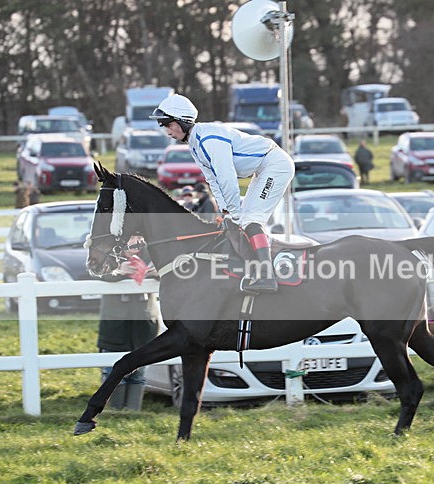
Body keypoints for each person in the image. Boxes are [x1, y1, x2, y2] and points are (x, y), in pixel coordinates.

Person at [151, 93, 295, 293]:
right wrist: (226, 212)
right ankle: (254, 270)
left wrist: (234, 214)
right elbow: (213, 181)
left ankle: (267, 276)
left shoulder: (209, 139)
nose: (165, 130)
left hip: (275, 164)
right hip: (262, 168)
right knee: (241, 220)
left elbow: (227, 179)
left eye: (167, 124)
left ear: (182, 121)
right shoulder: (194, 144)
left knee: (251, 220)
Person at [98, 235, 160, 411]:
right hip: (115, 324)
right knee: (112, 371)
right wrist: (118, 272)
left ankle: (133, 414)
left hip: (144, 323)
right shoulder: (107, 251)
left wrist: (159, 272)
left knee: (139, 373)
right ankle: (114, 413)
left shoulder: (155, 250)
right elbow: (94, 270)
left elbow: (175, 272)